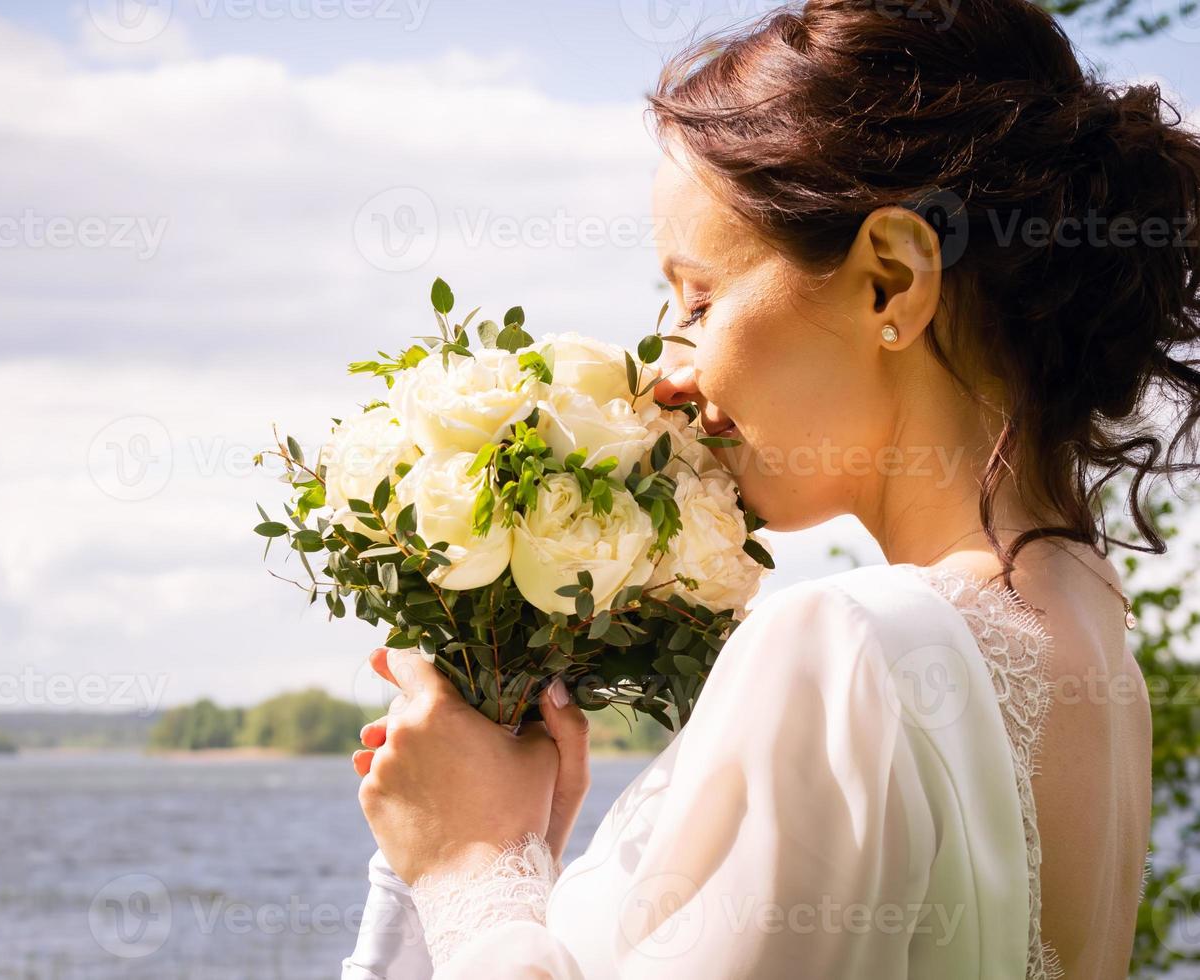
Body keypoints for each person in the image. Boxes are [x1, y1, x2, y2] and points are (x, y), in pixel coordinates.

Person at [345, 0, 1200, 974]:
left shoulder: (841, 648)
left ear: (890, 279)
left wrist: (470, 869)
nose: (666, 366)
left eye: (699, 297)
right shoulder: (1100, 647)